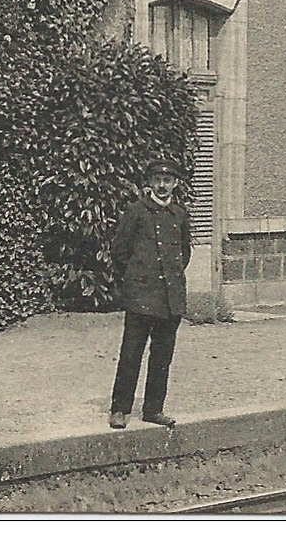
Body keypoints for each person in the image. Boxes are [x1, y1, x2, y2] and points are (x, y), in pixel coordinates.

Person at [108, 162, 191, 429]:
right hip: (141, 297)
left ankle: (154, 409)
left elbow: (184, 253)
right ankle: (120, 409)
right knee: (131, 354)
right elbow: (119, 252)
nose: (162, 185)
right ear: (150, 182)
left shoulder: (179, 215)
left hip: (170, 299)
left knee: (162, 357)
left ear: (175, 184)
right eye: (157, 179)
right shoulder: (136, 212)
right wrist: (138, 278)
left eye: (168, 180)